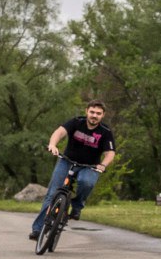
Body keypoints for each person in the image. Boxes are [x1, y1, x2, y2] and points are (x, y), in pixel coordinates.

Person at [30, 100, 116, 241]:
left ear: (103, 115)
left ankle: (77, 207)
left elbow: (110, 153)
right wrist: (53, 145)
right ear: (86, 111)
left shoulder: (105, 132)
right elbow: (59, 132)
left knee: (86, 182)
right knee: (52, 194)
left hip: (89, 166)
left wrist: (103, 165)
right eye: (92, 112)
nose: (94, 115)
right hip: (66, 161)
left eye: (98, 113)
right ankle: (37, 229)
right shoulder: (76, 122)